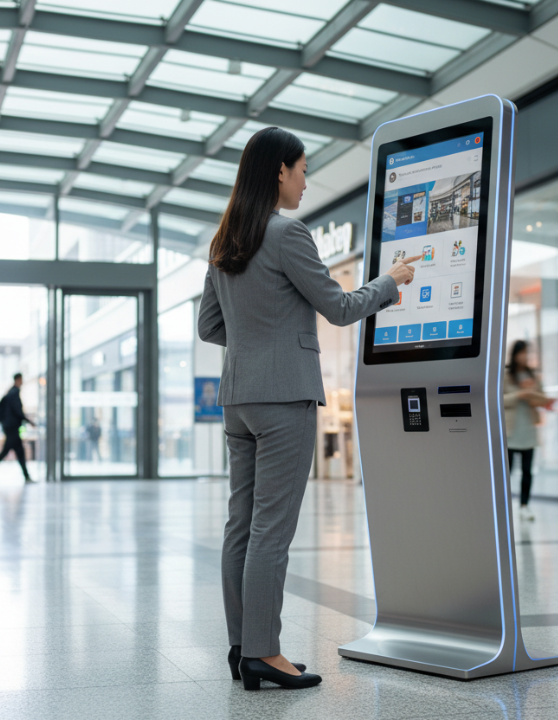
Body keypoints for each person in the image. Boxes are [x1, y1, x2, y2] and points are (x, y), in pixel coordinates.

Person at [197, 126, 418, 691]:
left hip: (238, 400)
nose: (304, 180)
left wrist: (254, 343)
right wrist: (390, 282)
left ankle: (242, 647)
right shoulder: (288, 234)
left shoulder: (226, 241)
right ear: (279, 171)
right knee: (272, 530)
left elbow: (209, 327)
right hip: (284, 398)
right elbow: (341, 308)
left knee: (240, 526)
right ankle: (264, 654)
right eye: (300, 169)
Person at [503, 340, 554, 522]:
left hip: (528, 430)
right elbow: (499, 400)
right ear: (515, 354)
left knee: (527, 471)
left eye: (527, 352)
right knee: (505, 472)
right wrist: (519, 394)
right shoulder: (505, 375)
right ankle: (502, 506)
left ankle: (524, 506)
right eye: (522, 352)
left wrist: (539, 397)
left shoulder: (532, 375)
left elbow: (541, 399)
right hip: (510, 431)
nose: (525, 356)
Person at [0, 373, 35, 485]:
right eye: (21, 379)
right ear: (18, 379)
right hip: (12, 428)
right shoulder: (14, 392)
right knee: (7, 451)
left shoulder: (10, 392)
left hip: (10, 427)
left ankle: (26, 476)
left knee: (19, 452)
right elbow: (17, 411)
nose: (22, 382)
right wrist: (29, 420)